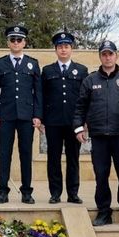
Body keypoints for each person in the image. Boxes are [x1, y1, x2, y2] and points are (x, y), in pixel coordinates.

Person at [73, 40, 119, 227]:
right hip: (98, 137)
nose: (107, 57)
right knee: (101, 175)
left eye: (110, 54)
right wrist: (79, 127)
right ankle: (104, 212)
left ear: (116, 56)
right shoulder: (90, 80)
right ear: (100, 56)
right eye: (104, 54)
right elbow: (80, 106)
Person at [0, 25, 42, 204]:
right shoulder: (0, 63)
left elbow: (38, 92)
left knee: (25, 154)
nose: (16, 43)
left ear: (24, 42)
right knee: (4, 154)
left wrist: (37, 115)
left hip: (27, 116)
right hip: (5, 115)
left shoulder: (33, 63)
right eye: (12, 40)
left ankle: (26, 191)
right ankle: (3, 191)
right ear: (8, 42)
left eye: (19, 40)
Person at [41, 31, 88, 204]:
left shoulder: (82, 70)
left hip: (73, 122)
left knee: (73, 158)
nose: (63, 50)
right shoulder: (47, 71)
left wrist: (84, 122)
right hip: (53, 122)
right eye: (60, 47)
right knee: (53, 158)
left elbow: (85, 99)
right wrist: (41, 119)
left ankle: (73, 193)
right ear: (55, 50)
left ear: (71, 49)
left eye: (66, 46)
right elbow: (42, 97)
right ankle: (55, 193)